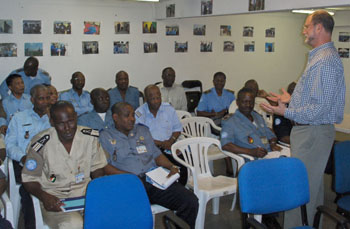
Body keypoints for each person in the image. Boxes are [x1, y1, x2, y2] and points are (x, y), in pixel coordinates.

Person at [260, 10, 346, 228]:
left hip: (312, 133)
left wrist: (285, 112)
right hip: (310, 132)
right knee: (310, 190)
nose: (303, 30)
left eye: (307, 26)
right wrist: (290, 99)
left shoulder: (324, 61)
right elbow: (315, 99)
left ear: (319, 28)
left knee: (297, 191)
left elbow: (318, 109)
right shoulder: (319, 56)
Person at [100, 102, 199, 228]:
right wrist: (129, 177)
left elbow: (156, 154)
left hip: (153, 179)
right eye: (127, 115)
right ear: (115, 117)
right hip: (128, 184)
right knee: (133, 216)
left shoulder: (143, 130)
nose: (132, 119)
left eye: (133, 115)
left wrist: (171, 166)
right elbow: (105, 166)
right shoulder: (105, 136)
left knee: (190, 201)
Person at [22, 101, 112, 229]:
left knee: (111, 216)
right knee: (73, 224)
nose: (68, 128)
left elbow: (97, 168)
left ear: (76, 117)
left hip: (85, 195)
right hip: (55, 199)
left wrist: (96, 194)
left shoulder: (89, 137)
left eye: (70, 121)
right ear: (52, 121)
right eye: (61, 124)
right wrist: (44, 196)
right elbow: (29, 179)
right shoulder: (41, 143)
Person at [5, 84, 51, 229]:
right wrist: (23, 157)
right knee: (29, 190)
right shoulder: (19, 118)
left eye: (47, 98)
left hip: (52, 165)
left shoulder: (55, 118)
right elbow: (10, 145)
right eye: (40, 99)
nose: (44, 102)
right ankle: (32, 225)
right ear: (32, 100)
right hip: (27, 164)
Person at [135, 85, 187, 185]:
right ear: (146, 99)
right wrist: (162, 144)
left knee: (183, 167)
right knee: (160, 172)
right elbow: (140, 137)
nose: (156, 101)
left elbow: (177, 128)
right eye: (152, 98)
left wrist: (171, 141)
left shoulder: (169, 109)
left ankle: (180, 190)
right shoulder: (139, 113)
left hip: (169, 146)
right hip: (151, 149)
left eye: (158, 97)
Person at [221, 87, 282, 159]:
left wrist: (272, 144)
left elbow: (270, 134)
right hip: (252, 159)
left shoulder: (258, 117)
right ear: (237, 102)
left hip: (270, 154)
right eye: (244, 102)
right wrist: (251, 151)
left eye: (251, 102)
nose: (248, 105)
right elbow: (226, 145)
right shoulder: (230, 122)